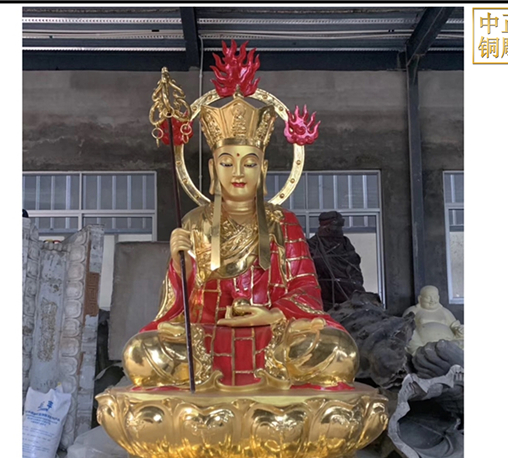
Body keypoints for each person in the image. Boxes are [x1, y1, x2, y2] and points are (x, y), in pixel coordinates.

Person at [123, 93, 359, 390]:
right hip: (208, 335)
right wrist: (181, 266)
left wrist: (272, 314)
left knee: (339, 351)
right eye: (226, 163)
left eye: (249, 164)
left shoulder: (283, 222)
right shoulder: (195, 222)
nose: (237, 173)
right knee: (140, 353)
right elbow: (181, 304)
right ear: (213, 170)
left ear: (263, 169)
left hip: (274, 334)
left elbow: (306, 287)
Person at [403, 285, 464, 355]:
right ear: (420, 299)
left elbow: (455, 326)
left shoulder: (444, 311)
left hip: (448, 343)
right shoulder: (413, 311)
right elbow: (406, 327)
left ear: (438, 298)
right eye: (428, 297)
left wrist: (460, 331)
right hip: (423, 345)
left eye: (435, 297)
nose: (432, 300)